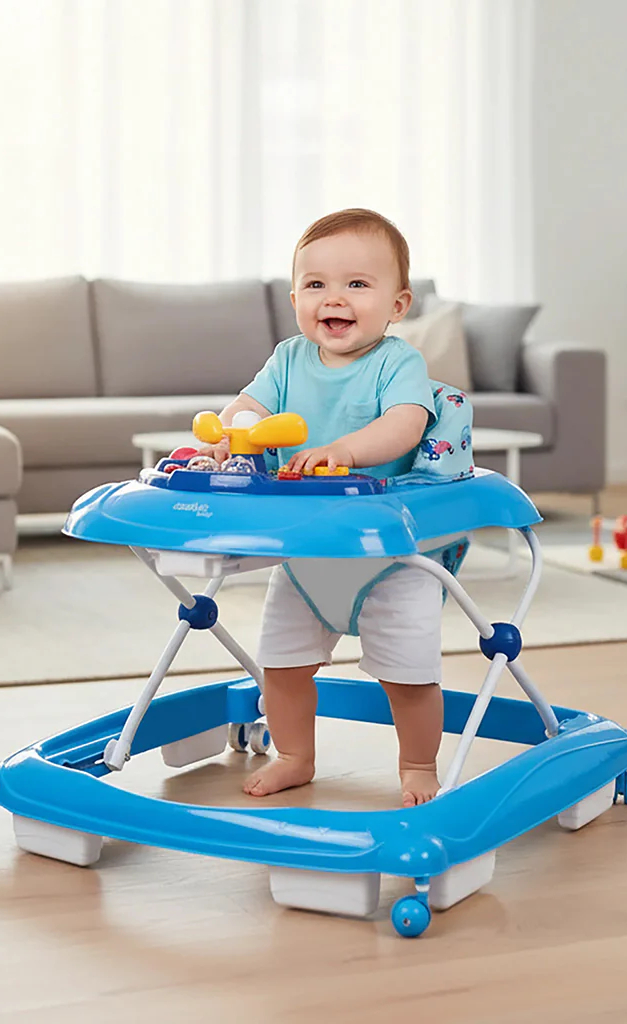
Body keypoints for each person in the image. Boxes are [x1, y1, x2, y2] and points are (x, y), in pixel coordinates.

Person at [202, 208, 445, 807]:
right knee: (281, 666)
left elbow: (406, 424)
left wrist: (346, 451)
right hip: (306, 550)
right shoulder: (288, 359)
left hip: (391, 554)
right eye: (316, 284)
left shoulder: (397, 362)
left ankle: (418, 764)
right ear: (295, 300)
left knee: (408, 675)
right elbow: (248, 408)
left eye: (357, 284)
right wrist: (230, 435)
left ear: (397, 305)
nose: (333, 298)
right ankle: (294, 756)